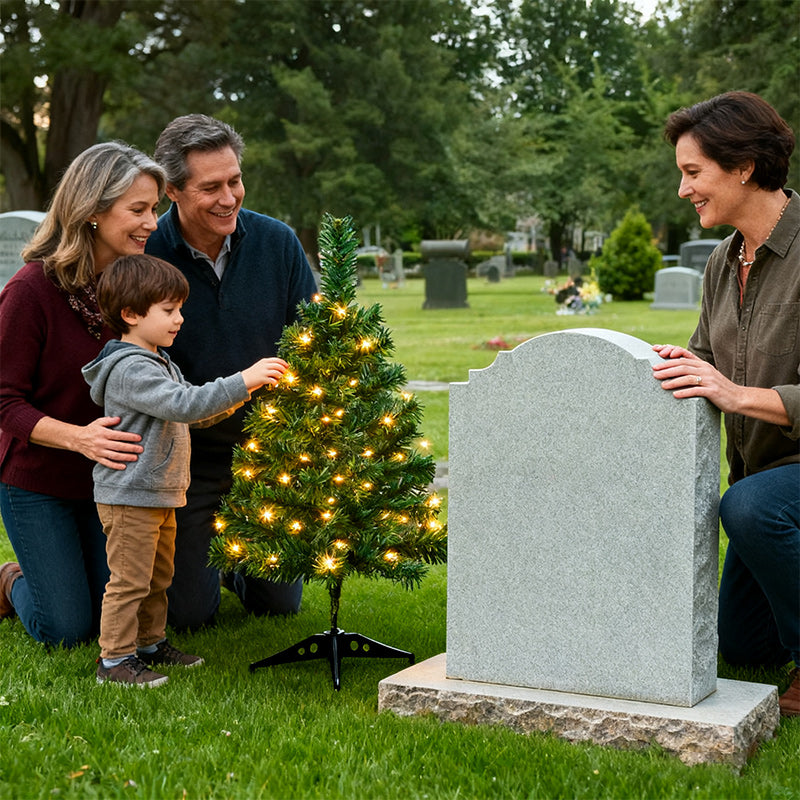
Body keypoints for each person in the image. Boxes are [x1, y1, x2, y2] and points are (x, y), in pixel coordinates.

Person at [653, 91, 799, 717]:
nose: (683, 189)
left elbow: (729, 388)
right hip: (766, 480)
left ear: (743, 166)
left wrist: (735, 393)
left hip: (772, 492)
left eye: (693, 173)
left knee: (750, 508)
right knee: (740, 647)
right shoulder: (723, 260)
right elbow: (704, 362)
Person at [145, 114, 318, 630]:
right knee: (191, 616)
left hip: (266, 459)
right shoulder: (147, 251)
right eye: (211, 187)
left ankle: (233, 568)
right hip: (184, 461)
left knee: (279, 605)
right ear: (172, 189)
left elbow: (312, 341)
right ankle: (199, 573)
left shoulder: (277, 242)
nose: (229, 197)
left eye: (235, 180)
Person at [83, 254, 288, 686]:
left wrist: (238, 397)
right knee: (130, 581)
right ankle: (114, 660)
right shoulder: (131, 368)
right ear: (131, 314)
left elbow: (191, 413)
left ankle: (150, 644)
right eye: (169, 310)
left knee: (158, 578)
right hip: (130, 496)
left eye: (180, 308)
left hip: (160, 492)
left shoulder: (158, 360)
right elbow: (183, 403)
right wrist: (244, 379)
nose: (180, 319)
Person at [0, 143, 164, 645]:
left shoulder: (131, 284)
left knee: (121, 615)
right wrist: (80, 439)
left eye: (154, 208)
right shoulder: (31, 290)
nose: (152, 223)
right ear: (92, 212)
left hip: (110, 483)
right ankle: (9, 581)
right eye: (138, 210)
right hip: (38, 479)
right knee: (67, 629)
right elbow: (4, 400)